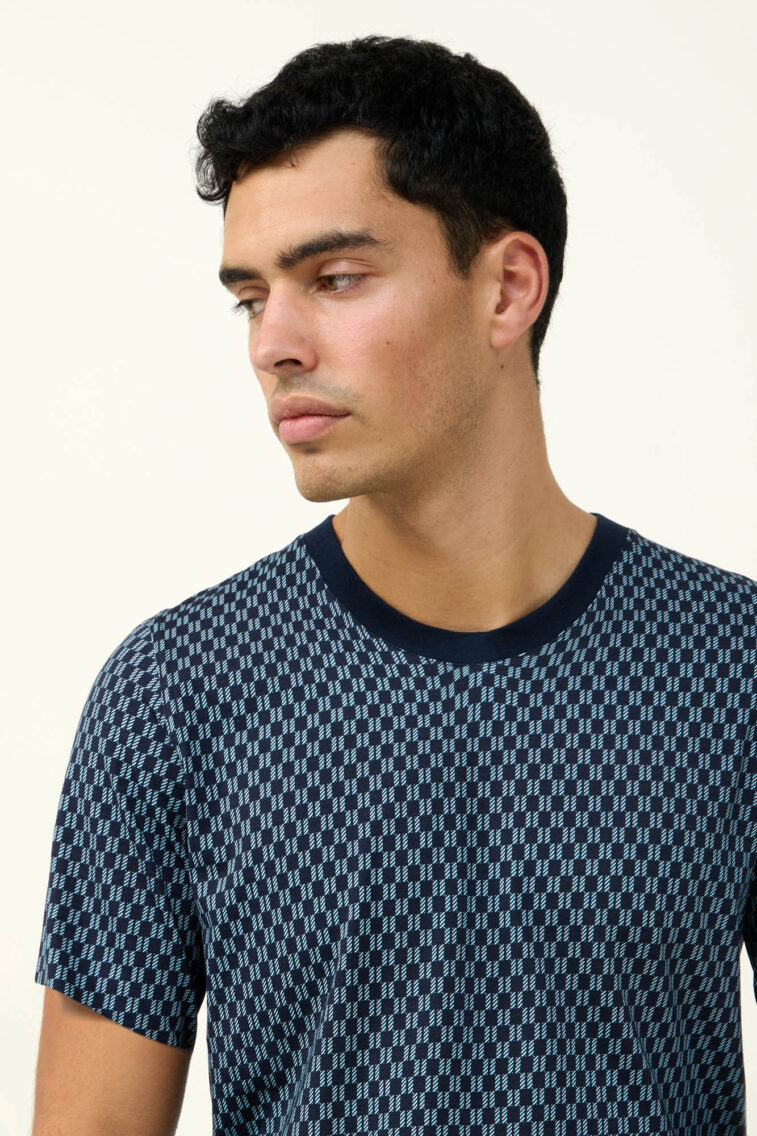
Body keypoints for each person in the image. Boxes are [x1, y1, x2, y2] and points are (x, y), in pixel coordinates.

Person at [31, 33, 756, 1136]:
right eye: (250, 297)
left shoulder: (730, 665)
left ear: (507, 288)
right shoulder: (175, 695)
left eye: (334, 279)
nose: (272, 344)